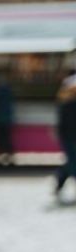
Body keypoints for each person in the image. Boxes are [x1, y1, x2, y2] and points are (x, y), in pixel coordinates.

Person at [55, 69, 76, 200]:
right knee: (73, 162)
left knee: (72, 162)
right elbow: (63, 123)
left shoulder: (65, 104)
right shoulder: (66, 105)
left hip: (68, 137)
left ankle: (60, 180)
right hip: (69, 137)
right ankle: (60, 181)